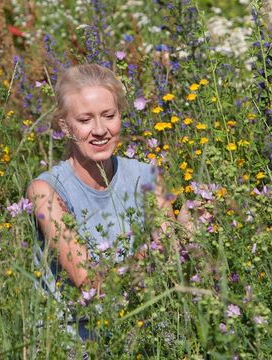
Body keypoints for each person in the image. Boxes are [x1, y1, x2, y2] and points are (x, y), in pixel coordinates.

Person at [27, 64, 191, 339]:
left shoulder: (147, 177)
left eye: (109, 115)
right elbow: (90, 284)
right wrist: (158, 249)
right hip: (78, 341)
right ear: (65, 127)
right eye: (85, 120)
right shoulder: (46, 191)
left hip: (148, 333)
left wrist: (190, 237)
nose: (100, 130)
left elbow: (171, 265)